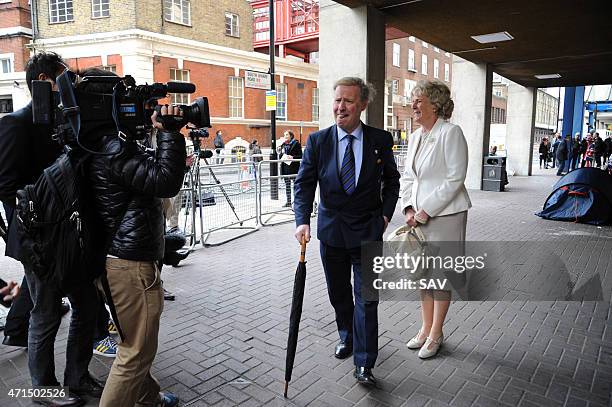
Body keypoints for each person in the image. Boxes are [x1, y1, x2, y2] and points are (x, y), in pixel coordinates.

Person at [0, 52, 103, 406]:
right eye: (64, 78)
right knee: (45, 313)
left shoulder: (67, 121)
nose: (70, 85)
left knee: (87, 306)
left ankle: (76, 379)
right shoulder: (15, 123)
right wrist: (38, 227)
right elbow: (8, 187)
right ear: (44, 80)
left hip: (72, 236)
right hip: (41, 240)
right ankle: (43, 388)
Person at [81, 67, 185, 407]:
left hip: (116, 258)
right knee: (135, 352)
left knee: (134, 342)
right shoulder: (113, 147)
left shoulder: (96, 141)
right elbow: (165, 181)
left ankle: (149, 398)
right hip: (129, 264)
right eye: (124, 99)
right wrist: (170, 133)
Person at [293, 77, 400, 386]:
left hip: (368, 230)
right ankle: (347, 335)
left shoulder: (380, 140)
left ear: (362, 104)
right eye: (337, 100)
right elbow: (303, 184)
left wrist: (384, 216)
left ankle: (365, 363)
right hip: (332, 233)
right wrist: (302, 220)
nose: (340, 107)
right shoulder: (318, 141)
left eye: (348, 101)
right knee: (339, 294)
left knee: (367, 299)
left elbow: (392, 181)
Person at [400, 80, 472, 359]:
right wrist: (408, 208)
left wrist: (426, 210)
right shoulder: (416, 135)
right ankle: (425, 327)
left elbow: (455, 177)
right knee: (422, 275)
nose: (413, 105)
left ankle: (436, 333)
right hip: (418, 217)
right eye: (413, 100)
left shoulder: (451, 133)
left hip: (446, 215)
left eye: (419, 100)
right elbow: (408, 177)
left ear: (436, 104)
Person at [279, 130, 303, 207]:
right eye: (284, 135)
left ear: (291, 136)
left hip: (294, 168)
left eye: (286, 135)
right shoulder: (283, 145)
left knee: (296, 186)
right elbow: (280, 156)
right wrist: (281, 154)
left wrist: (292, 157)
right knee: (287, 186)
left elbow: (300, 156)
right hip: (285, 168)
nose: (285, 136)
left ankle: (296, 202)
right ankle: (288, 202)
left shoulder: (296, 144)